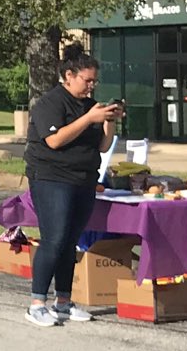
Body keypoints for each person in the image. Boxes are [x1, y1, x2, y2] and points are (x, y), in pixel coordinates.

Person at [23, 44, 124, 327]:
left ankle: (64, 302)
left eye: (95, 82)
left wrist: (109, 121)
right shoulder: (50, 103)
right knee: (54, 239)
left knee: (70, 241)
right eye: (87, 80)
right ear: (69, 76)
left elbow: (102, 146)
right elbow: (54, 140)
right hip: (51, 178)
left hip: (83, 179)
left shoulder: (91, 107)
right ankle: (37, 303)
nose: (91, 86)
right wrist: (88, 118)